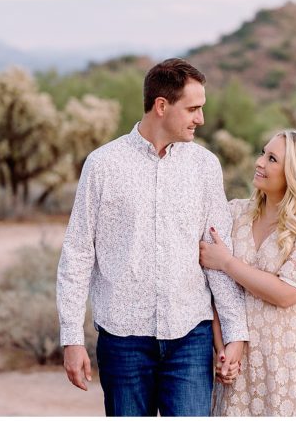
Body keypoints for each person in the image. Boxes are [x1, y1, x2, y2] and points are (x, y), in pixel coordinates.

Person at [56, 58, 249, 416]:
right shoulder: (103, 165)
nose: (200, 119)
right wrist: (71, 338)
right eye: (192, 109)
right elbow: (78, 253)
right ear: (161, 106)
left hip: (190, 336)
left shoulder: (205, 167)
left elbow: (219, 251)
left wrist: (235, 332)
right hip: (122, 338)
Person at [200, 129, 296, 416]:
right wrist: (223, 349)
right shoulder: (235, 214)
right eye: (262, 153)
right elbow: (215, 288)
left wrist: (228, 262)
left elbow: (286, 294)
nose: (259, 163)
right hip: (242, 358)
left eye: (272, 159)